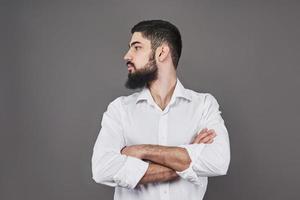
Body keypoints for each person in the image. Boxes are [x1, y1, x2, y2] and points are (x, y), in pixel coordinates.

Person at [91, 19, 230, 200]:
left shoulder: (204, 105)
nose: (127, 56)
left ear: (162, 52)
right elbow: (102, 169)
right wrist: (187, 156)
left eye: (137, 47)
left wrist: (142, 150)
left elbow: (218, 162)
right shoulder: (120, 109)